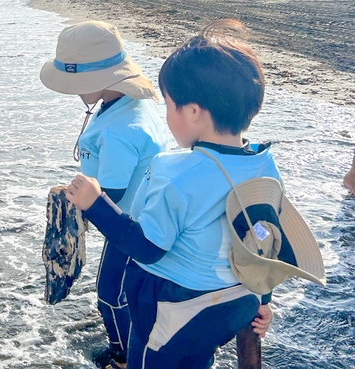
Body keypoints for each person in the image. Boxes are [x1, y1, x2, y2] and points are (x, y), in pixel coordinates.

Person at [65, 20, 275, 368]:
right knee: (196, 359)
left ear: (193, 112)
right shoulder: (263, 162)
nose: (165, 115)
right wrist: (263, 299)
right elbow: (265, 237)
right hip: (234, 304)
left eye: (168, 105)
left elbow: (146, 248)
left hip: (176, 307)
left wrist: (95, 203)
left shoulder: (175, 172)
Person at [40, 21, 169, 368]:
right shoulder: (129, 105)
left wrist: (72, 208)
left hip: (129, 224)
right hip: (148, 216)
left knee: (111, 295)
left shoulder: (119, 132)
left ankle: (125, 356)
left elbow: (110, 193)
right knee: (131, 292)